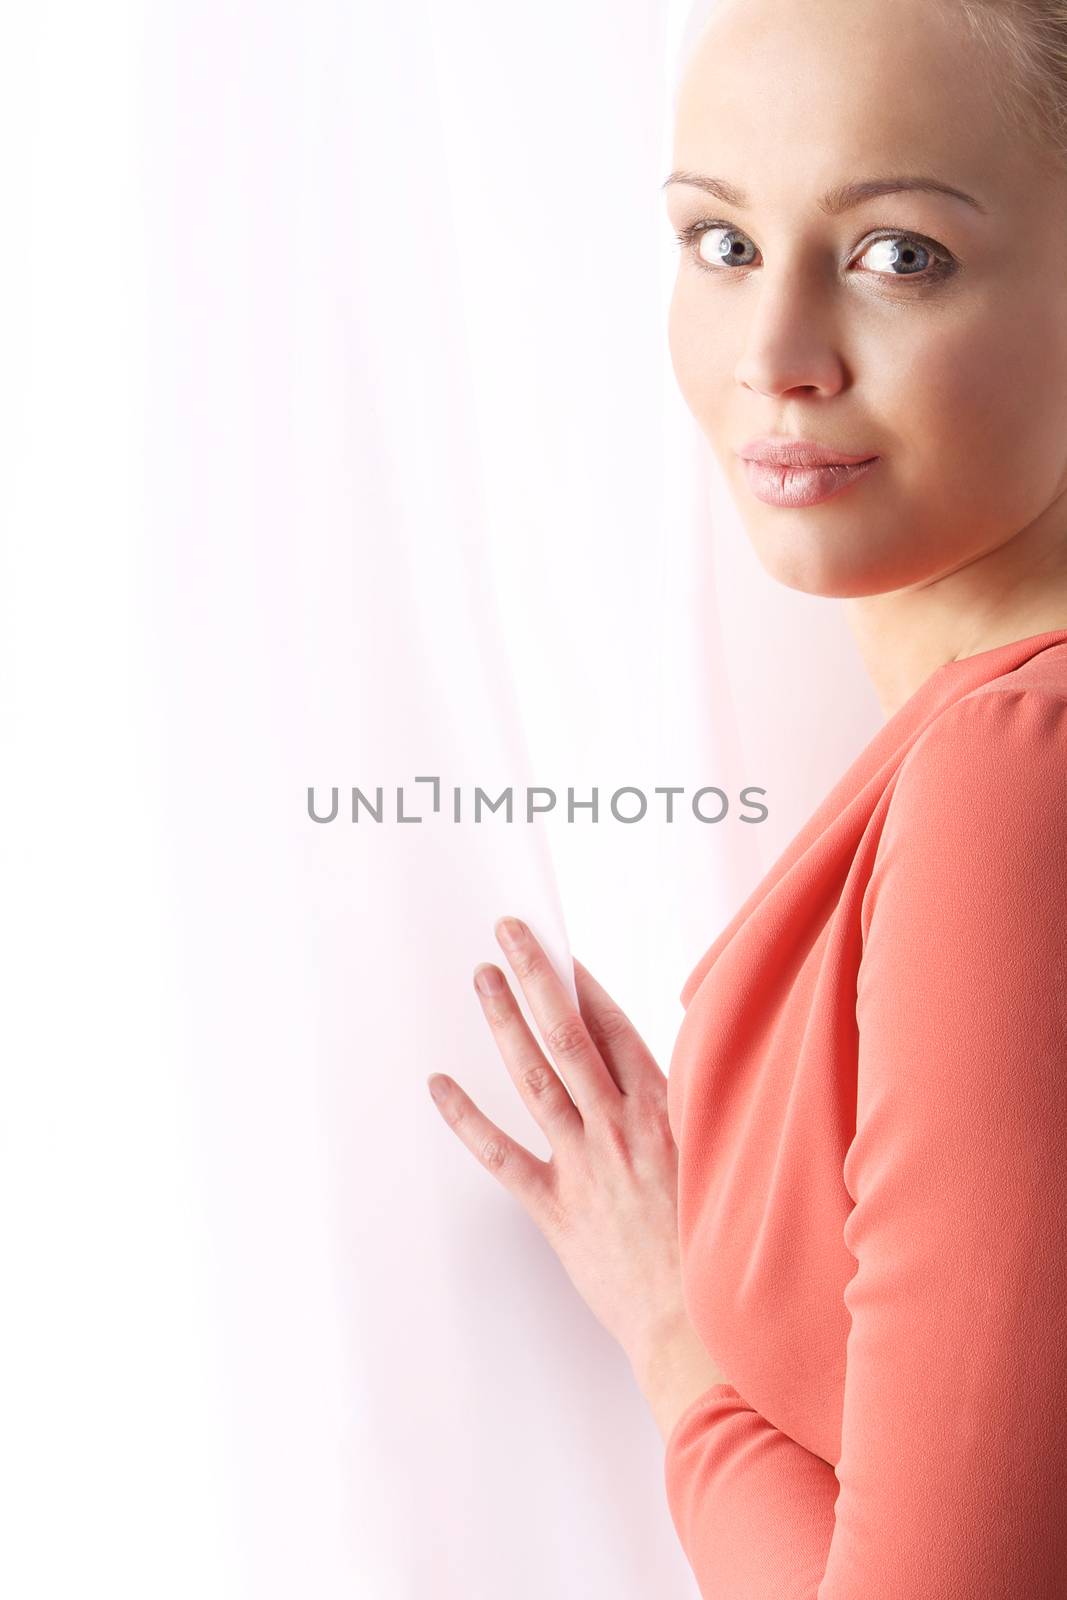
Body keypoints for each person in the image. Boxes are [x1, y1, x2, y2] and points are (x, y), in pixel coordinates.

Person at [427, 0, 1067, 1592]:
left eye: (898, 254)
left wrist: (677, 1353)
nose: (775, 358)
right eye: (717, 242)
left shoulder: (1015, 784)